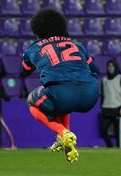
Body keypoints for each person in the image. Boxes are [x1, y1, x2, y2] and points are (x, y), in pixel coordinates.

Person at [20, 9, 100, 163]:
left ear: (37, 29)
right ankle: (63, 139)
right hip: (91, 93)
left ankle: (63, 132)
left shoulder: (33, 48)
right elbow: (95, 69)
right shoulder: (76, 45)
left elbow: (24, 71)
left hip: (61, 92)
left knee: (31, 101)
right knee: (62, 104)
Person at [100, 60, 121, 148]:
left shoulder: (120, 78)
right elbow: (103, 94)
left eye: (112, 66)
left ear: (116, 67)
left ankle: (120, 148)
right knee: (103, 130)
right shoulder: (104, 80)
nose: (110, 68)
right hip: (106, 108)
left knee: (118, 132)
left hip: (117, 108)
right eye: (109, 66)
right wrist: (102, 106)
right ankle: (110, 147)